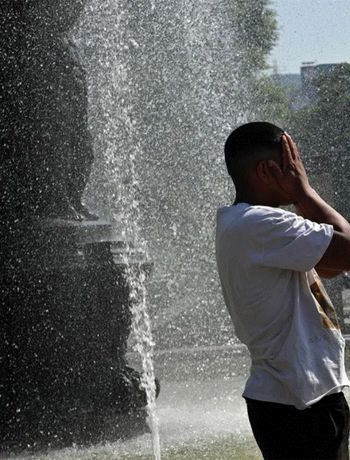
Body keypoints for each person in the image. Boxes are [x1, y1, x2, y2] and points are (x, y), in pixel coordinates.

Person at [215, 121, 350, 459]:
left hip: (292, 396)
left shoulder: (244, 224)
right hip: (300, 402)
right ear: (266, 169)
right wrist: (305, 193)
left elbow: (331, 267)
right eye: (292, 164)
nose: (298, 171)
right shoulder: (260, 223)